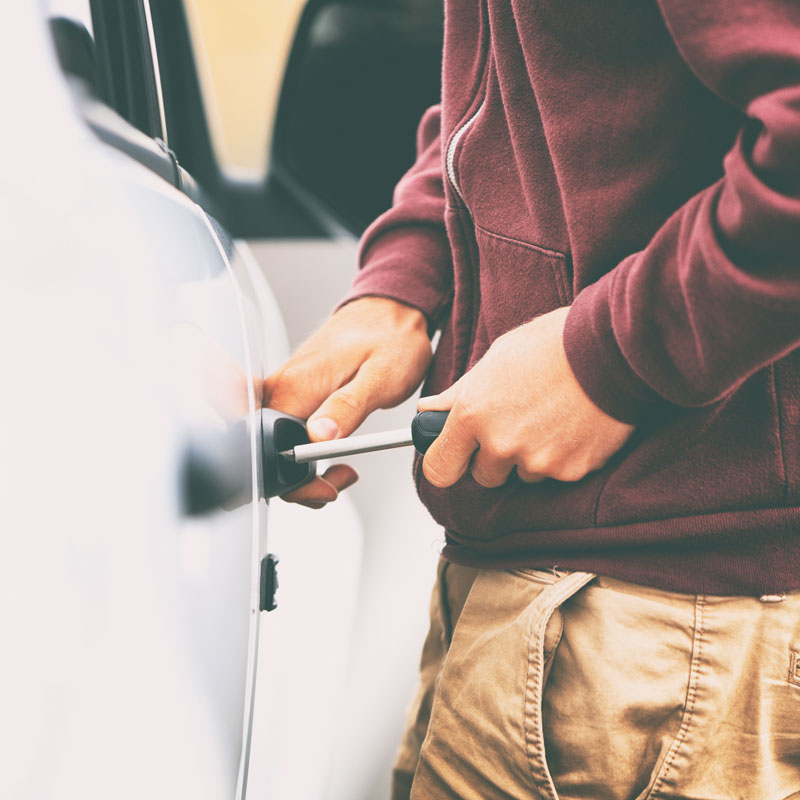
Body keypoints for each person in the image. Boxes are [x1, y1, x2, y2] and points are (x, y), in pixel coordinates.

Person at [265, 1, 800, 797]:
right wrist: (405, 279)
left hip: (645, 636)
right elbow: (511, 87)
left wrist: (607, 360)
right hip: (568, 610)